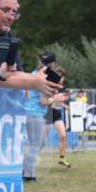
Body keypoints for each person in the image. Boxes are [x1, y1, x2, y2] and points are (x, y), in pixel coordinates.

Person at [22, 52, 69, 181]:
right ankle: (28, 175)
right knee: (35, 144)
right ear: (53, 63)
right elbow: (43, 101)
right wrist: (56, 98)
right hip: (34, 113)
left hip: (33, 113)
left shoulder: (35, 73)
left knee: (41, 142)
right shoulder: (45, 77)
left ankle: (26, 169)